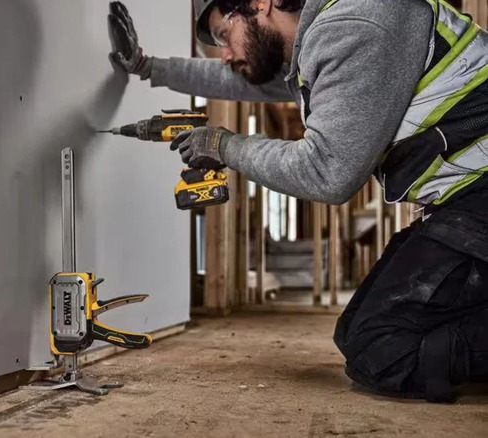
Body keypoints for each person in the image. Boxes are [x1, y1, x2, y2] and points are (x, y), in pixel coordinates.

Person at [107, 0, 488, 403]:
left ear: (260, 3)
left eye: (224, 36)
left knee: (381, 350)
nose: (225, 53)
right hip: (465, 202)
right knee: (356, 330)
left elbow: (328, 173)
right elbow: (238, 78)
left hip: (478, 198)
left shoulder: (352, 27)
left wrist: (224, 145)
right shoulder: (320, 42)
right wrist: (146, 67)